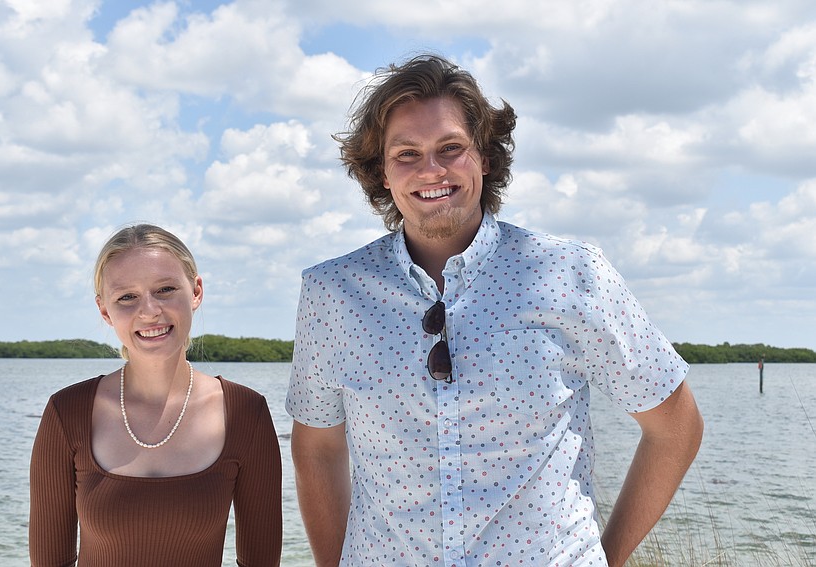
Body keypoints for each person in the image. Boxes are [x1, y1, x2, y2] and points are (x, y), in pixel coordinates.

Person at [286, 54, 703, 567]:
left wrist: (604, 558)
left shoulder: (570, 273)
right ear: (381, 172)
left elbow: (675, 427)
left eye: (451, 148)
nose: (431, 170)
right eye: (407, 154)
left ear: (484, 156)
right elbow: (318, 450)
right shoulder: (333, 292)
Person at [30, 224, 282, 567]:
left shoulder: (245, 413)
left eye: (165, 289)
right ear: (105, 310)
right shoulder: (67, 413)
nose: (149, 311)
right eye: (126, 297)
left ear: (195, 292)